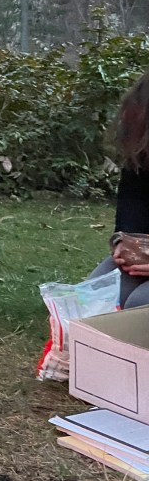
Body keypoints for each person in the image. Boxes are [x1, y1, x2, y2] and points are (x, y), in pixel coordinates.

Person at [87, 71, 149, 308]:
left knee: (139, 303)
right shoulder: (141, 157)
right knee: (94, 295)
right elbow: (132, 203)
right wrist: (124, 242)